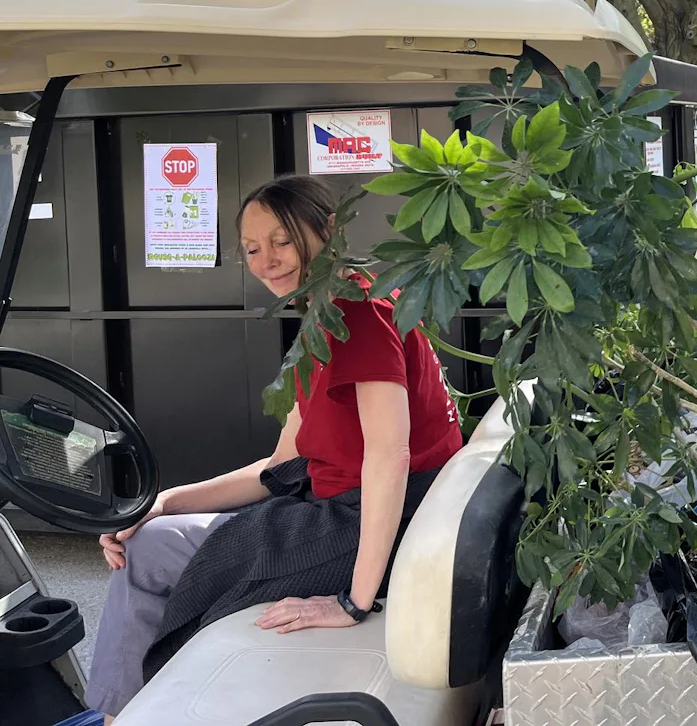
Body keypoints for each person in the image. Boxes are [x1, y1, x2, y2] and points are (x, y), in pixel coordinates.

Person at [86, 175, 462, 722]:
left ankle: (117, 714)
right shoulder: (326, 314)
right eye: (253, 249)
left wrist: (354, 602)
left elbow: (390, 456)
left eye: (282, 240)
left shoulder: (358, 312)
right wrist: (164, 501)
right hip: (328, 505)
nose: (268, 260)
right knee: (153, 537)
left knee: (148, 557)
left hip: (361, 522)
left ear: (326, 230)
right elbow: (279, 466)